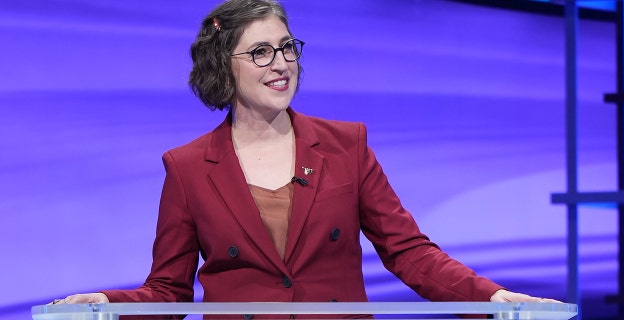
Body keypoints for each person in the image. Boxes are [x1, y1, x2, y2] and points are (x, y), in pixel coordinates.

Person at [52, 0, 555, 316]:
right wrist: (108, 305)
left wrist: (490, 297)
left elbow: (409, 252)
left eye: (288, 48)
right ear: (222, 69)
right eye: (261, 53)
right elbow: (168, 290)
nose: (282, 64)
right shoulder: (186, 166)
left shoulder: (346, 144)